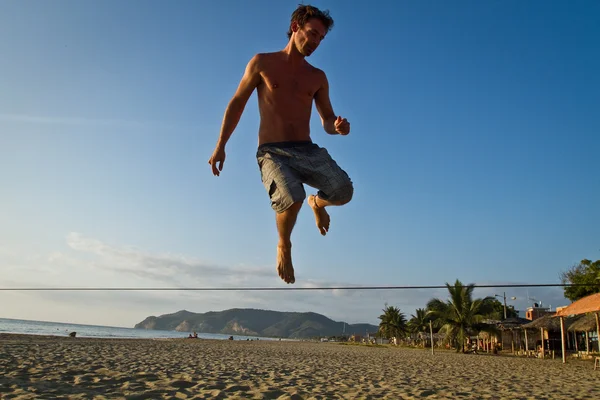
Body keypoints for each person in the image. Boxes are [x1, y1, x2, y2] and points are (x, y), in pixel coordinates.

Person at [208, 5, 353, 284]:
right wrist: (221, 145)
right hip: (273, 152)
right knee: (291, 195)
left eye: (321, 39)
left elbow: (326, 119)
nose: (315, 42)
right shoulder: (262, 63)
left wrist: (336, 127)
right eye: (312, 34)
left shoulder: (318, 77)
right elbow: (237, 104)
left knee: (344, 191)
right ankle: (284, 245)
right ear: (295, 26)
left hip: (307, 149)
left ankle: (317, 204)